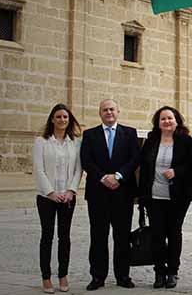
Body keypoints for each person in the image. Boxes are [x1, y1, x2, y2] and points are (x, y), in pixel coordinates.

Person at [80, 99, 141, 291]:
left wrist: (119, 176)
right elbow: (86, 161)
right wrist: (103, 177)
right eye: (105, 110)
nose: (109, 113)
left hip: (123, 193)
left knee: (122, 236)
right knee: (98, 236)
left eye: (112, 109)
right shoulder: (90, 134)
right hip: (98, 193)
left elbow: (135, 159)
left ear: (118, 111)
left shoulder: (129, 133)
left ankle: (123, 275)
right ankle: (97, 276)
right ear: (100, 113)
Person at [138, 106, 192, 289]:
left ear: (176, 120)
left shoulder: (186, 141)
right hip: (154, 195)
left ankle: (173, 271)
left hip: (178, 196)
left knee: (174, 233)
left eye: (170, 118)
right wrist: (140, 195)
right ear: (158, 122)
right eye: (163, 119)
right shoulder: (151, 140)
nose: (167, 121)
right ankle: (159, 272)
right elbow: (144, 166)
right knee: (157, 235)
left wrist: (177, 171)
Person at [33, 103, 82, 293]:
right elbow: (39, 169)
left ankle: (63, 275)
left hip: (68, 197)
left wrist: (71, 190)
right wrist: (51, 193)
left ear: (69, 120)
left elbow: (79, 169)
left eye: (65, 117)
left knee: (65, 237)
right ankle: (46, 277)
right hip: (47, 197)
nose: (62, 120)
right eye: (58, 116)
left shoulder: (75, 142)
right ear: (52, 119)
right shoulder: (41, 141)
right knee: (47, 236)